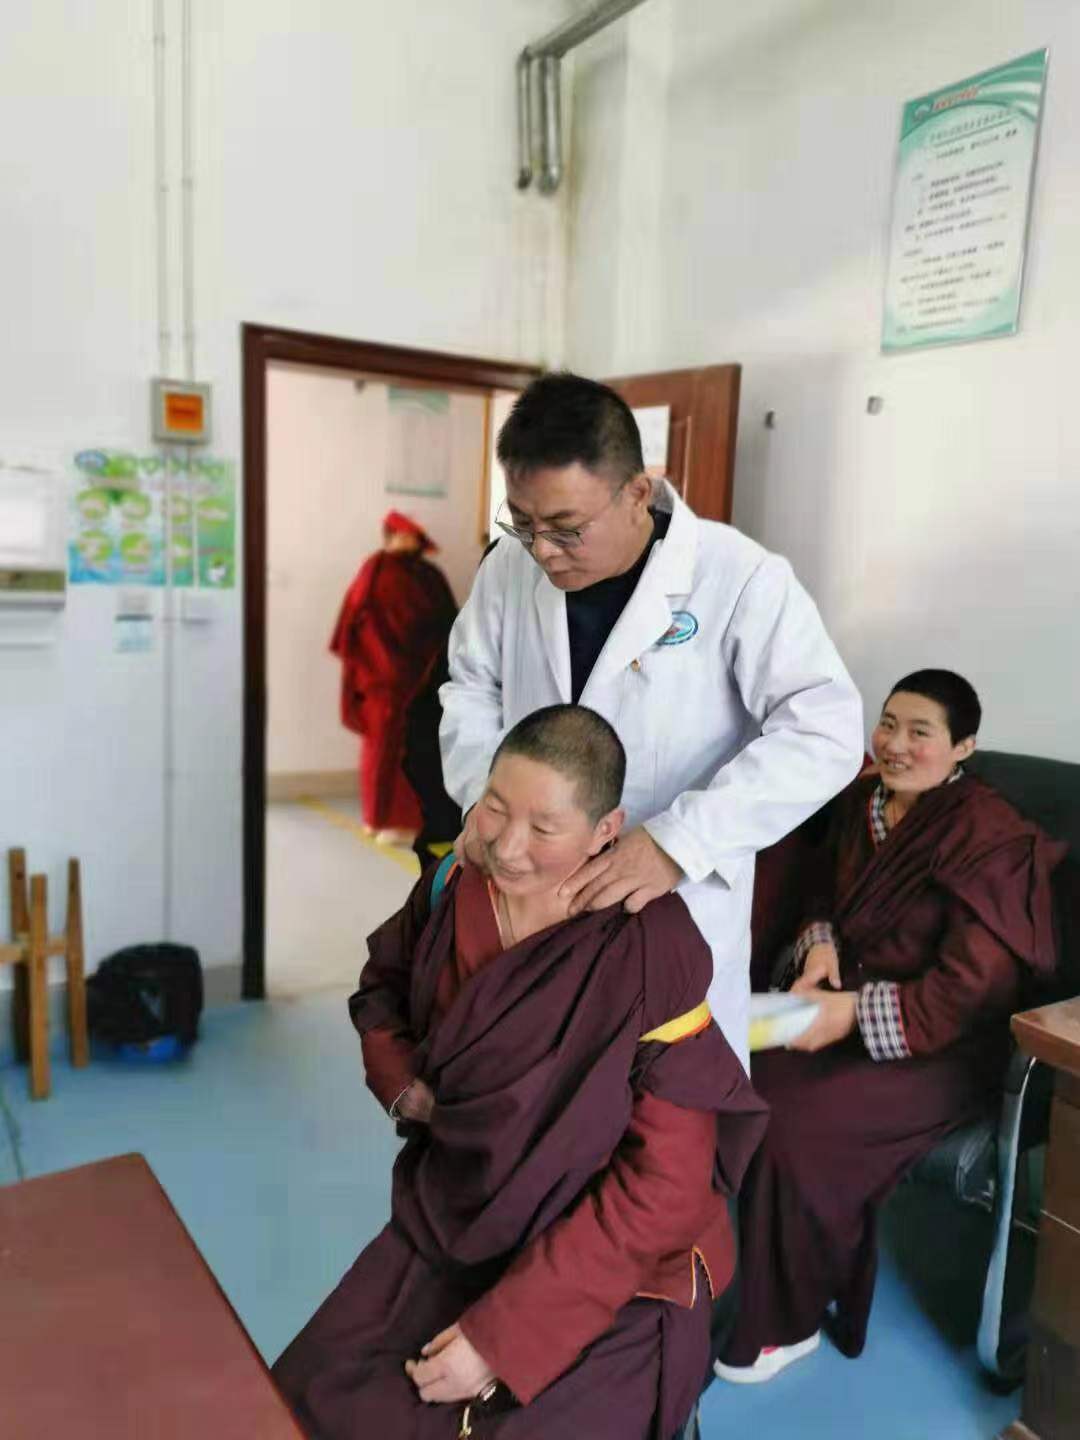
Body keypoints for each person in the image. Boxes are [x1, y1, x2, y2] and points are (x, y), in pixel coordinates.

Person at [272, 705, 768, 1438]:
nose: (506, 847)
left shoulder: (647, 946)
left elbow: (664, 1185)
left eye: (544, 829)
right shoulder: (453, 882)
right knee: (301, 1402)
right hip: (456, 1218)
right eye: (496, 808)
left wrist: (503, 1338)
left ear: (605, 831)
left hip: (613, 1268)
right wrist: (401, 1084)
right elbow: (382, 988)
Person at [440, 372, 865, 1065]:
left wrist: (679, 841)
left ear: (638, 492)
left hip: (671, 913)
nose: (542, 550)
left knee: (664, 1106)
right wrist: (484, 807)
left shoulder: (739, 578)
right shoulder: (510, 570)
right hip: (530, 902)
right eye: (522, 523)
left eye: (566, 529)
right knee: (530, 1094)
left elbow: (826, 731)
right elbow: (470, 687)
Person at [714, 670, 1066, 1383]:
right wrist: (819, 947)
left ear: (963, 747)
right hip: (845, 1006)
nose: (895, 745)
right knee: (738, 1082)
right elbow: (819, 893)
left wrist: (850, 1013)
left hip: (945, 1046)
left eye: (920, 732)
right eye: (888, 724)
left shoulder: (990, 836)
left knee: (794, 1124)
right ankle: (733, 1276)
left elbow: (972, 990)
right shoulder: (864, 803)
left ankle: (788, 1318)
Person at [331, 510, 457, 847]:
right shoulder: (374, 570)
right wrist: (382, 664)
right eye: (401, 535)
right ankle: (376, 817)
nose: (407, 541)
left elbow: (448, 622)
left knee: (415, 747)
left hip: (420, 676)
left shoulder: (430, 576)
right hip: (382, 679)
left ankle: (405, 822)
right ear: (389, 537)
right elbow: (358, 622)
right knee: (381, 748)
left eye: (412, 536)